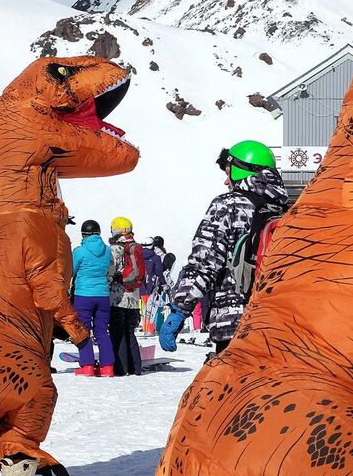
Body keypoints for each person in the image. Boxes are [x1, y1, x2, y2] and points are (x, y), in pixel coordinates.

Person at [164, 139, 288, 357]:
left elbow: (205, 262)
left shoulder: (227, 205)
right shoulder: (286, 210)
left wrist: (179, 309)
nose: (225, 181)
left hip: (233, 323)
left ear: (241, 171)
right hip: (276, 325)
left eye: (228, 172)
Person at [70, 220, 114, 375]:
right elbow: (110, 270)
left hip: (83, 295)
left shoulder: (79, 251)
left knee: (84, 329)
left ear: (83, 234)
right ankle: (107, 367)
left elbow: (71, 271)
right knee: (102, 331)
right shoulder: (108, 251)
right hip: (103, 295)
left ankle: (87, 365)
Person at [107, 217, 145, 377]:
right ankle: (136, 367)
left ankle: (121, 368)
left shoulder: (116, 248)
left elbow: (111, 270)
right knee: (130, 332)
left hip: (118, 296)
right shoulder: (134, 247)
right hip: (134, 297)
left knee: (118, 332)